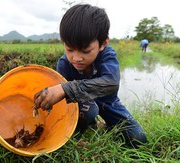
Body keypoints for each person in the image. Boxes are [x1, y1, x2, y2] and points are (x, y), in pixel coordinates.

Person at [34, 4, 147, 147]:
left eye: (85, 51)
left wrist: (66, 89)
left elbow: (111, 83)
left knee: (138, 139)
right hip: (81, 106)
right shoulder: (64, 64)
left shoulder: (107, 56)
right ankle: (79, 131)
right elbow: (63, 105)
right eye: (69, 49)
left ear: (103, 43)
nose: (76, 58)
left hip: (108, 103)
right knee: (89, 110)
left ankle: (105, 126)